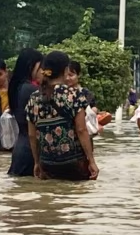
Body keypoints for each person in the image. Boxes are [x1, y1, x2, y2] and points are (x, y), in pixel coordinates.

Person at [27, 51, 99, 181]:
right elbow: (81, 130)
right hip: (74, 163)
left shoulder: (33, 98)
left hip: (47, 164)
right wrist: (92, 161)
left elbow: (32, 135)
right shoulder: (74, 95)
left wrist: (37, 162)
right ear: (66, 70)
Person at [7, 49, 43, 176]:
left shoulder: (18, 86)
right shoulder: (30, 90)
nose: (42, 72)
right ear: (30, 67)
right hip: (30, 149)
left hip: (21, 147)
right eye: (40, 67)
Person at [67, 61, 101, 136]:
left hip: (84, 132)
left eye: (71, 75)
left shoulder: (86, 93)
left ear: (78, 75)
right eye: (66, 75)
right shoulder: (62, 93)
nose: (68, 78)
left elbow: (94, 108)